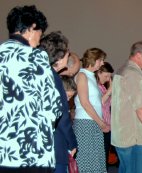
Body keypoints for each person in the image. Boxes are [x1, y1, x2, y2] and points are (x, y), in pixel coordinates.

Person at [0, 5, 62, 173]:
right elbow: (53, 105)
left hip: (4, 152)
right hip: (32, 151)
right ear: (32, 27)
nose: (39, 41)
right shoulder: (36, 56)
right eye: (40, 34)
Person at [111, 41, 142, 173]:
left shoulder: (122, 69)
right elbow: (141, 108)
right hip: (134, 138)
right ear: (138, 55)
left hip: (123, 136)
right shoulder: (133, 73)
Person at [39, 31, 78, 173]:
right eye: (68, 52)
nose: (69, 55)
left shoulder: (39, 74)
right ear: (60, 57)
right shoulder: (53, 78)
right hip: (55, 144)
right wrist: (72, 142)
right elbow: (61, 115)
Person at [73, 48, 109, 173]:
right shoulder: (82, 75)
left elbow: (97, 103)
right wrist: (101, 123)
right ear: (93, 60)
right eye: (101, 60)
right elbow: (85, 103)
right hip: (85, 123)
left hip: (93, 122)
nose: (102, 63)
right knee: (87, 161)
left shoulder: (91, 76)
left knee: (96, 160)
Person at [95, 62, 115, 168]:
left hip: (107, 125)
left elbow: (108, 104)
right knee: (100, 157)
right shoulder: (94, 86)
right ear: (99, 72)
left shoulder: (102, 87)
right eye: (106, 76)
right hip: (100, 126)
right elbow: (99, 103)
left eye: (110, 77)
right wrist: (109, 91)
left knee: (105, 156)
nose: (108, 79)